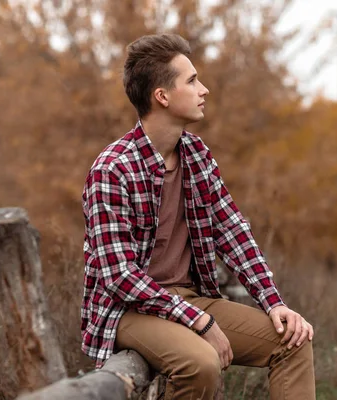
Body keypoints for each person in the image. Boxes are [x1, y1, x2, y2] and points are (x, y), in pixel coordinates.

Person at [80, 33, 315, 400]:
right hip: (129, 311)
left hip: (190, 298)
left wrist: (273, 301)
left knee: (294, 341)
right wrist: (199, 321)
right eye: (191, 81)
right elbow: (120, 277)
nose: (203, 89)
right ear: (163, 96)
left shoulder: (196, 153)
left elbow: (232, 231)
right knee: (200, 363)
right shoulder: (112, 169)